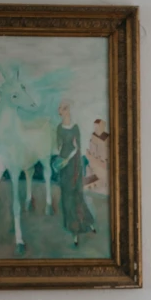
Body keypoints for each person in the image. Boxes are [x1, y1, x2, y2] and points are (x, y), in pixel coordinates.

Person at [56, 100, 96, 246]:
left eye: (62, 109)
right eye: (60, 109)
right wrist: (61, 161)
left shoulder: (75, 128)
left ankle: (88, 224)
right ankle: (74, 231)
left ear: (67, 110)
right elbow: (59, 147)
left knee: (77, 196)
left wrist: (67, 159)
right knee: (66, 198)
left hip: (74, 165)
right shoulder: (59, 128)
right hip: (64, 165)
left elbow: (77, 148)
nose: (61, 112)